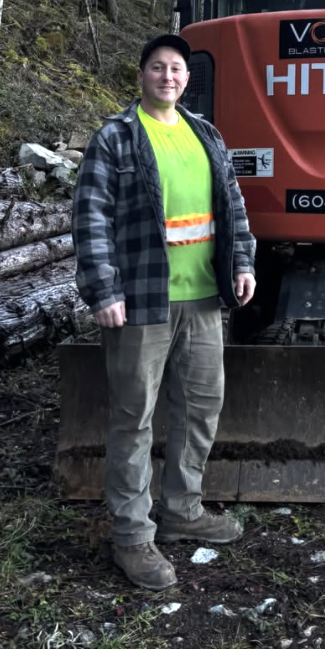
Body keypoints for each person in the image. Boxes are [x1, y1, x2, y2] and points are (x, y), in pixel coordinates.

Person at [73, 34, 256, 591]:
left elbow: (233, 204)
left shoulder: (206, 134)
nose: (168, 76)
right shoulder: (117, 137)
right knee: (135, 416)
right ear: (142, 76)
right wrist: (103, 290)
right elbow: (91, 217)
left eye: (176, 68)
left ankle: (181, 509)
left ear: (187, 78)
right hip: (144, 302)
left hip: (203, 298)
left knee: (201, 407)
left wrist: (242, 262)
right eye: (157, 67)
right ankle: (131, 535)